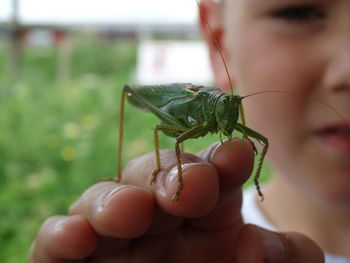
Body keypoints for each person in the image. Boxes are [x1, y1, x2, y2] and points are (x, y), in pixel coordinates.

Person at [29, 0, 350, 262]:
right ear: (220, 44)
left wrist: (253, 179)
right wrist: (162, 171)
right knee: (150, 118)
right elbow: (165, 132)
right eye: (296, 12)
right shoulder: (203, 236)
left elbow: (256, 141)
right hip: (175, 109)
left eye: (234, 107)